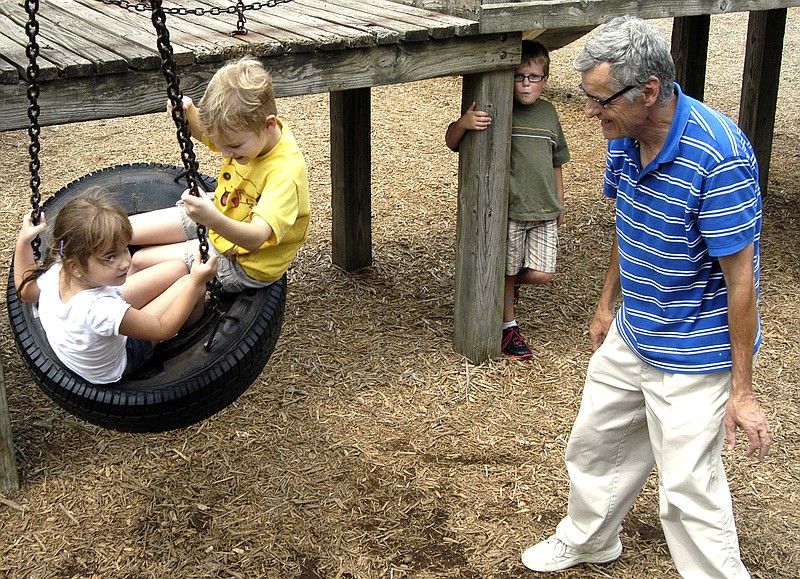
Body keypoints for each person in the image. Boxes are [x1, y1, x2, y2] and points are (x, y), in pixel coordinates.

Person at [520, 16, 772, 578]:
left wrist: (743, 390)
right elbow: (627, 223)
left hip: (695, 349)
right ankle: (590, 539)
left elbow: (742, 281)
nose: (589, 113)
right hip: (636, 328)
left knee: (686, 486)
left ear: (649, 91)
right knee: (594, 443)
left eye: (598, 100)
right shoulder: (625, 136)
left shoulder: (719, 157)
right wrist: (607, 303)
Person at [128, 56, 310, 293]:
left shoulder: (285, 175)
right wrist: (187, 111)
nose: (225, 155)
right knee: (129, 230)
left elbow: (256, 237)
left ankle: (117, 318)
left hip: (247, 261)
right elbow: (211, 133)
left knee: (141, 260)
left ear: (269, 125)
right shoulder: (248, 132)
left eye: (233, 147)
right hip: (228, 209)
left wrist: (211, 218)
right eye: (221, 145)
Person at [446, 40, 570, 360]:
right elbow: (452, 141)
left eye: (534, 77)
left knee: (542, 273)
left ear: (545, 79)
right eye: (519, 77)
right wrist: (463, 124)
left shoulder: (549, 113)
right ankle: (508, 327)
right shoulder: (500, 106)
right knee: (507, 265)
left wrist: (560, 198)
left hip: (543, 208)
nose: (527, 84)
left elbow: (556, 159)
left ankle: (508, 286)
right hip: (512, 209)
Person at [14, 194, 218, 385]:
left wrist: (23, 241)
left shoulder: (59, 269)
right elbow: (163, 328)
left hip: (90, 337)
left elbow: (26, 292)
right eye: (110, 257)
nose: (124, 263)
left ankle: (147, 306)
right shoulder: (101, 309)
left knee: (178, 267)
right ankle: (193, 330)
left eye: (124, 249)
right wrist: (195, 282)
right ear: (75, 266)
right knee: (187, 284)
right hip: (122, 359)